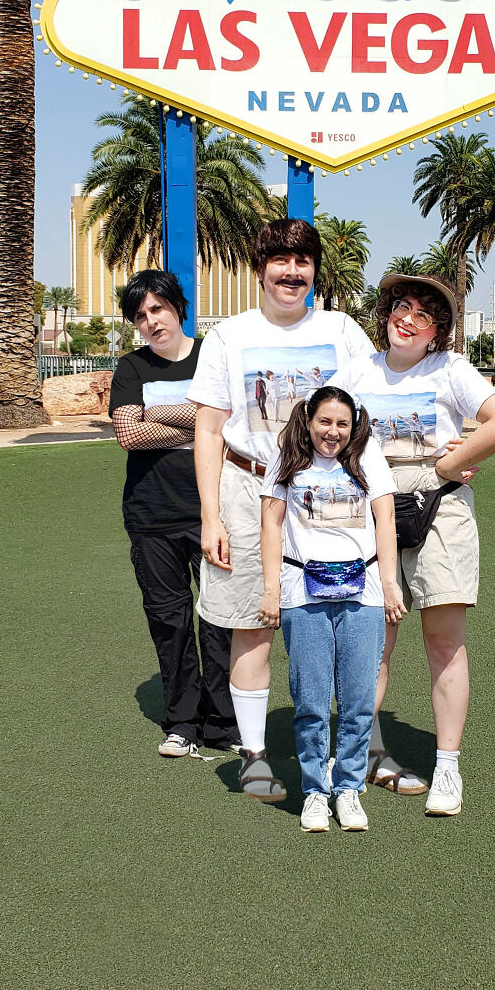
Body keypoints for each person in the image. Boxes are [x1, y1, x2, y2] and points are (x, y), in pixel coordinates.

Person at [189, 218, 373, 803]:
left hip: (332, 495)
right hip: (249, 490)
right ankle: (254, 755)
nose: (291, 273)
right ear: (260, 266)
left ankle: (355, 752)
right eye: (280, 261)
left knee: (348, 627)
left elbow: (377, 406)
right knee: (253, 624)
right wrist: (210, 517)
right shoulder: (228, 337)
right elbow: (209, 431)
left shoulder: (342, 331)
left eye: (303, 262)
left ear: (315, 270)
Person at [333, 272, 495, 815]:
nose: (407, 318)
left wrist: (450, 463)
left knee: (444, 641)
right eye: (401, 306)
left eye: (423, 314)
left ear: (437, 331)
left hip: (439, 509)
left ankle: (447, 770)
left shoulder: (451, 370)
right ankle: (361, 754)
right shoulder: (356, 371)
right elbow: (323, 426)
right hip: (370, 509)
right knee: (373, 642)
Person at [258, 387, 405, 831]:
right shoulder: (288, 460)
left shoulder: (368, 457)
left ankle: (348, 788)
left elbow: (387, 520)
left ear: (353, 424)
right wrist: (270, 590)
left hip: (363, 590)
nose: (333, 432)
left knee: (359, 698)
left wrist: (390, 581)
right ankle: (315, 791)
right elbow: (270, 522)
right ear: (308, 418)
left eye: (342, 423)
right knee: (311, 699)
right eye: (325, 421)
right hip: (302, 589)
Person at [109, 270, 239, 758]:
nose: (150, 322)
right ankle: (182, 721)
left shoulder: (214, 356)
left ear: (177, 307)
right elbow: (129, 434)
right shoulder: (131, 368)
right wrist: (201, 423)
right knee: (170, 621)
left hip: (216, 511)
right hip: (153, 515)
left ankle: (224, 723)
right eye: (140, 316)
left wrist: (156, 414)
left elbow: (234, 421)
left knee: (221, 621)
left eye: (157, 309)